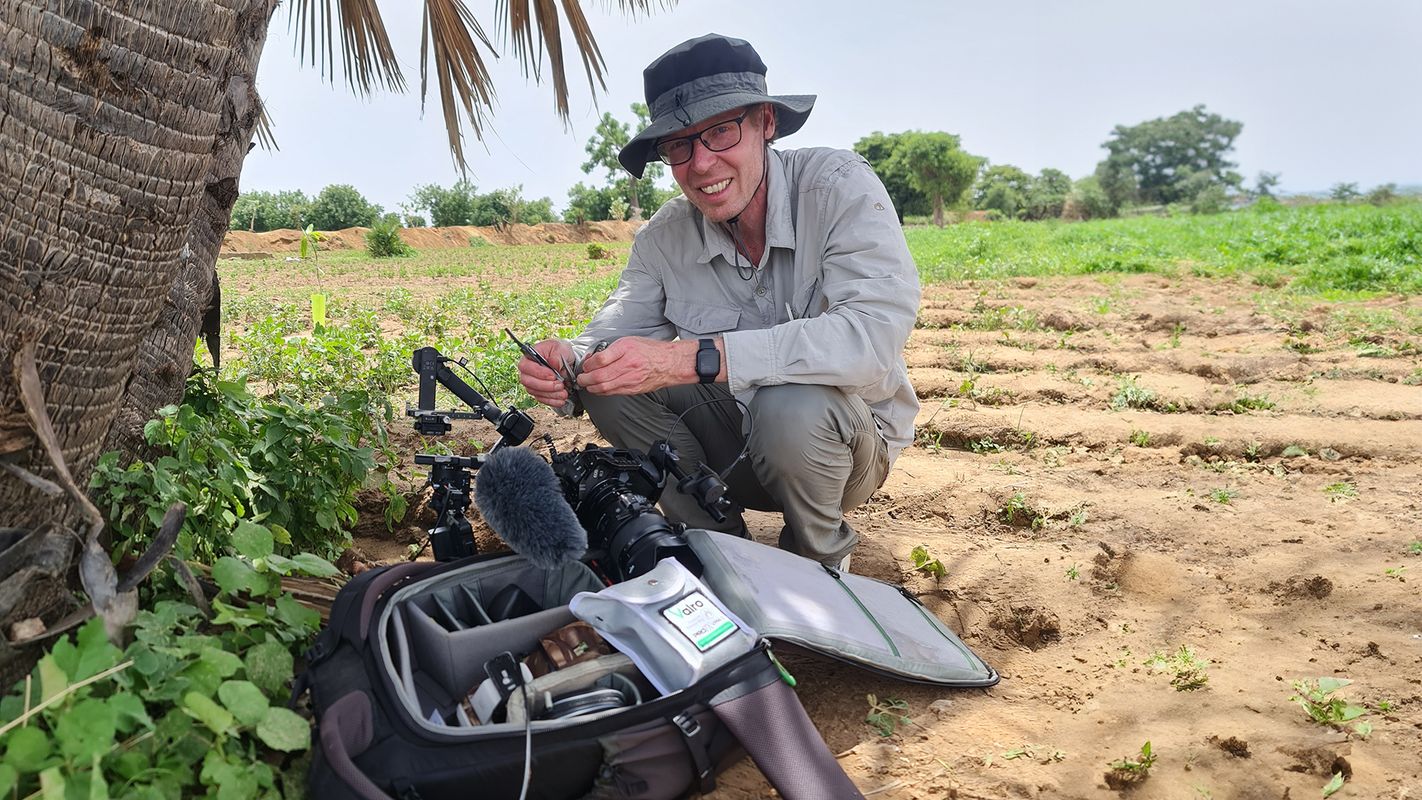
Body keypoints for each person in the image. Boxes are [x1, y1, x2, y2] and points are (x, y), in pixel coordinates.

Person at [517, 33, 919, 569]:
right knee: (608, 375)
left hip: (842, 451)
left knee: (789, 402)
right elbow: (614, 331)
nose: (701, 164)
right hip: (736, 447)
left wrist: (691, 357)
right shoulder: (664, 237)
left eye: (720, 132)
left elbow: (871, 337)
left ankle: (818, 562)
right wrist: (568, 360)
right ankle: (718, 544)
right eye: (678, 146)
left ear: (765, 124)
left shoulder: (837, 187)